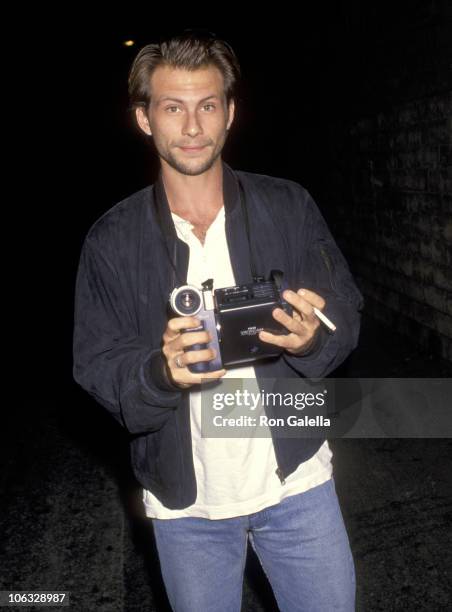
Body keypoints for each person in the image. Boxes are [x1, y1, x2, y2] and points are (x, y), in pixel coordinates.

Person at [73, 28, 364, 612]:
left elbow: (345, 310)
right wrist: (160, 373)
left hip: (297, 484)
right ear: (143, 119)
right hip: (187, 508)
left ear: (229, 113)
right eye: (172, 108)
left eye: (207, 105)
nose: (192, 126)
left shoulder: (288, 204)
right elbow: (97, 365)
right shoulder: (111, 239)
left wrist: (312, 338)